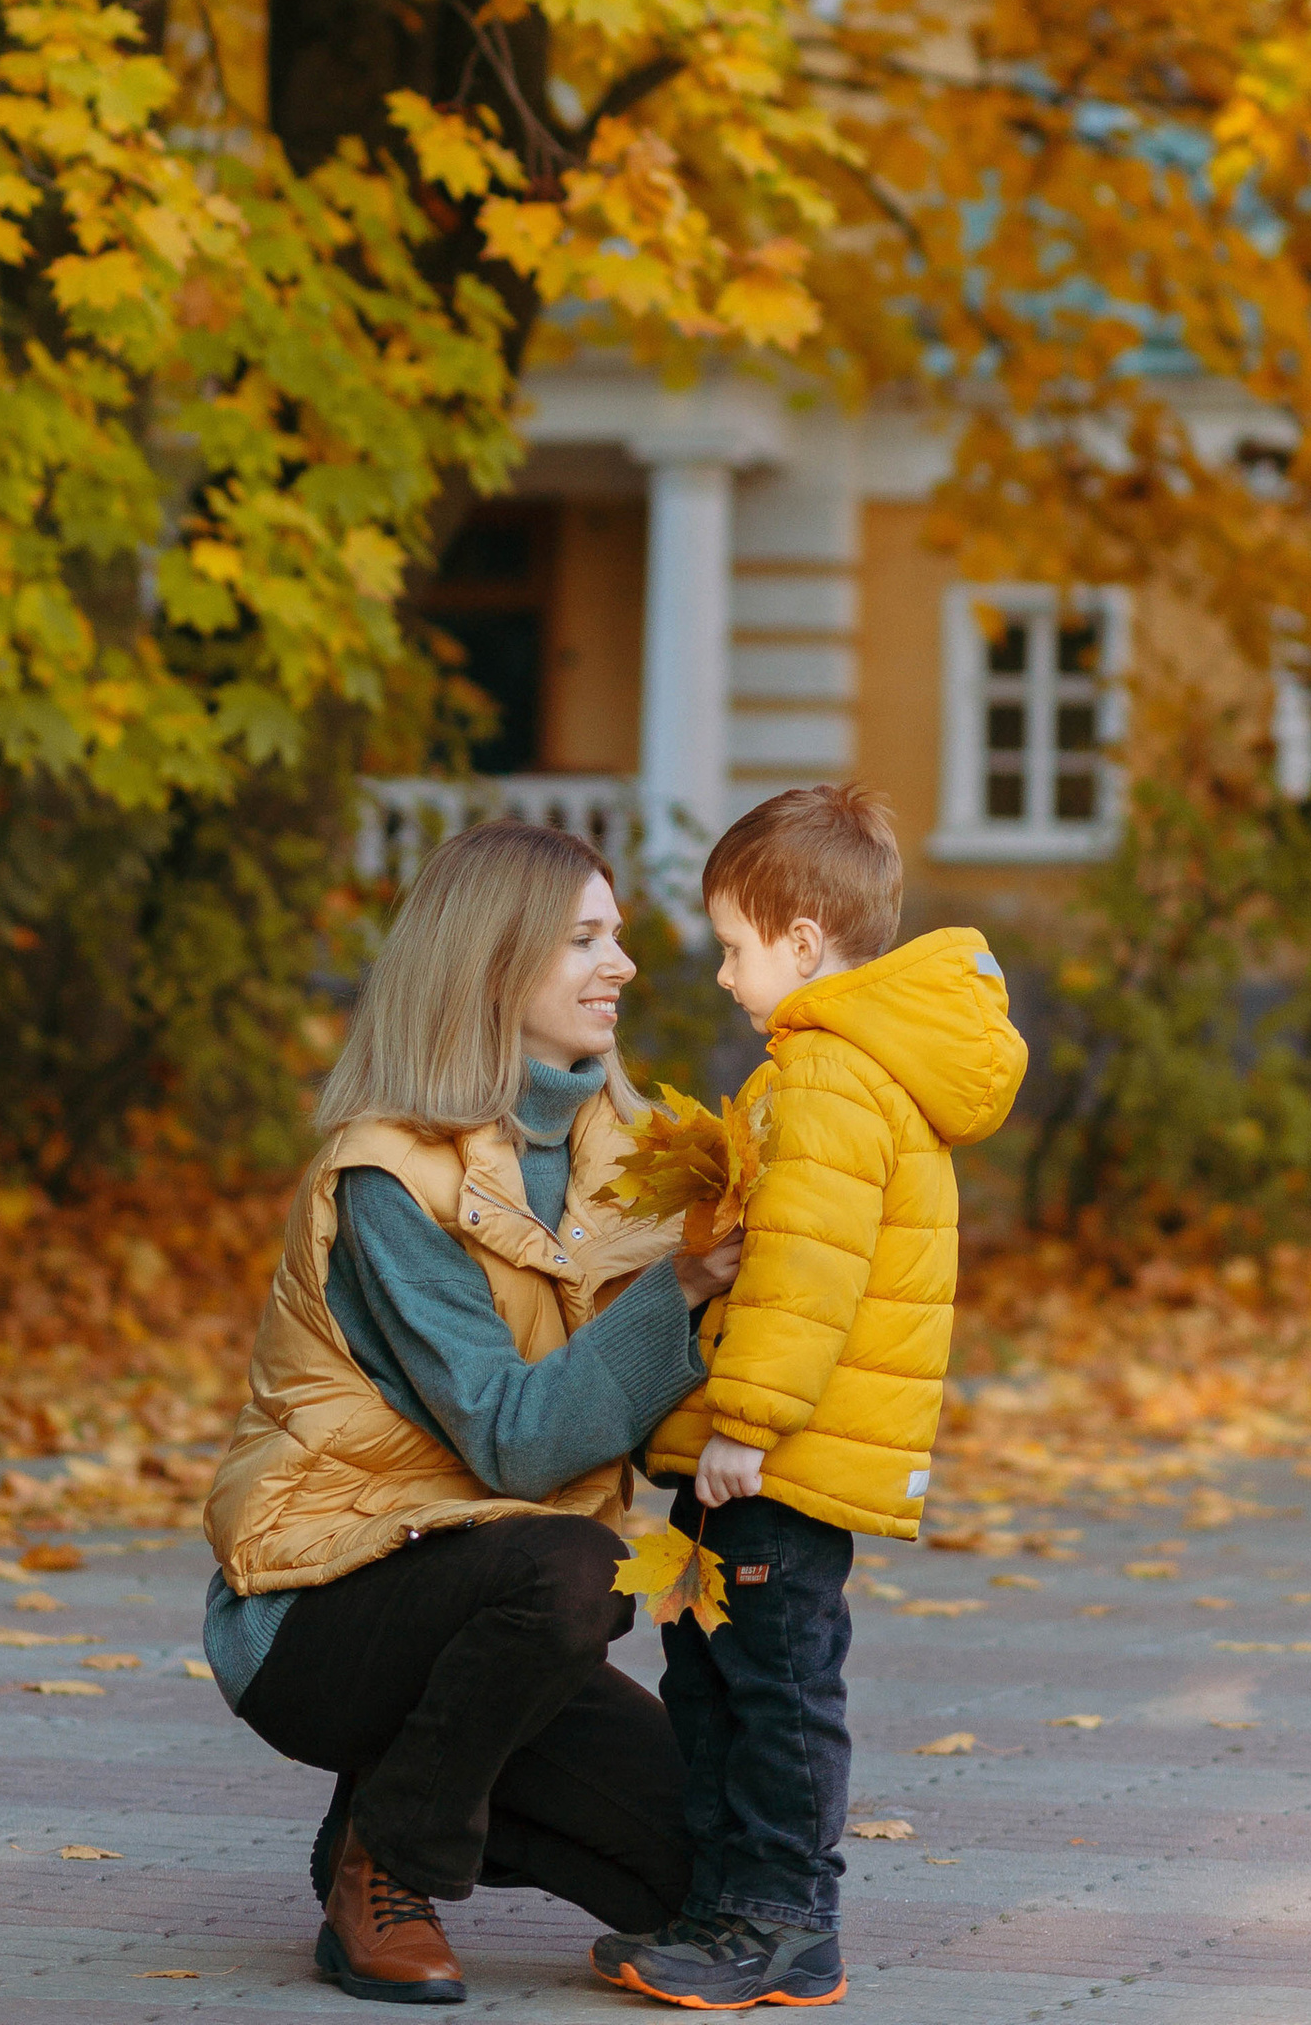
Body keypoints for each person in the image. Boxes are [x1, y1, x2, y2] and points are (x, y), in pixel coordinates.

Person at [201, 816, 743, 2007]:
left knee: (723, 1877)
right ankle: (387, 1869)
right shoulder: (392, 1172)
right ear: (493, 963)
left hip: (512, 1614)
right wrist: (684, 1288)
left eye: (620, 936)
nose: (624, 966)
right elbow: (518, 1437)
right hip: (326, 1603)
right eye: (585, 939)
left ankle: (393, 1802)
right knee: (573, 1568)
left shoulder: (644, 1157)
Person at [603, 787, 1029, 2013]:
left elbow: (808, 1273)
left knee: (777, 1692)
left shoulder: (833, 1079)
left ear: (800, 942)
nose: (726, 972)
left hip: (775, 1463)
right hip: (749, 1460)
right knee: (713, 1679)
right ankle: (721, 1907)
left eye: (734, 946)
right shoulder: (816, 1071)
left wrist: (743, 1421)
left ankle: (785, 1920)